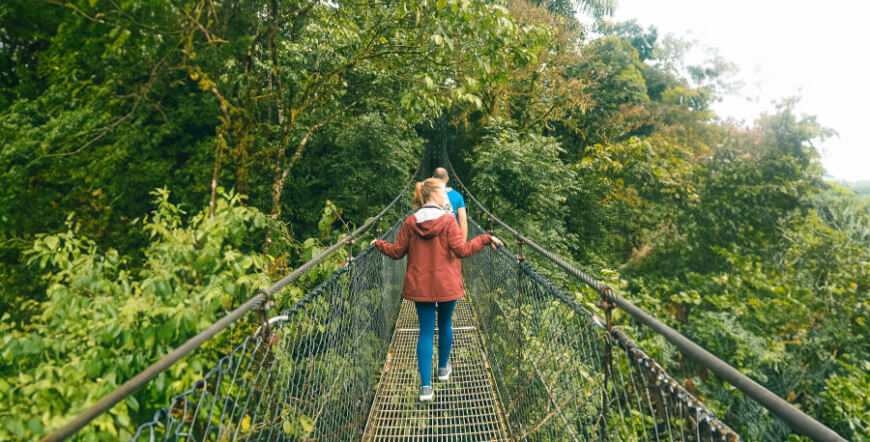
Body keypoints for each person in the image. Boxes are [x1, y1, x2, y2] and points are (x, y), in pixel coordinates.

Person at [371, 178, 502, 401]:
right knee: (445, 324)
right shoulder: (449, 222)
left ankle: (425, 388)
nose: (445, 198)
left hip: (421, 286)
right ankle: (442, 370)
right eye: (443, 193)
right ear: (433, 195)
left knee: (425, 331)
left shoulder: (411, 222)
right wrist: (484, 238)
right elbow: (462, 250)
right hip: (447, 284)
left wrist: (378, 244)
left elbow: (396, 252)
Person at [432, 167, 467, 241]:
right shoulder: (458, 196)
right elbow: (463, 221)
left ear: (432, 178)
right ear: (447, 179)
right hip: (451, 238)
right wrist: (463, 245)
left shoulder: (427, 195)